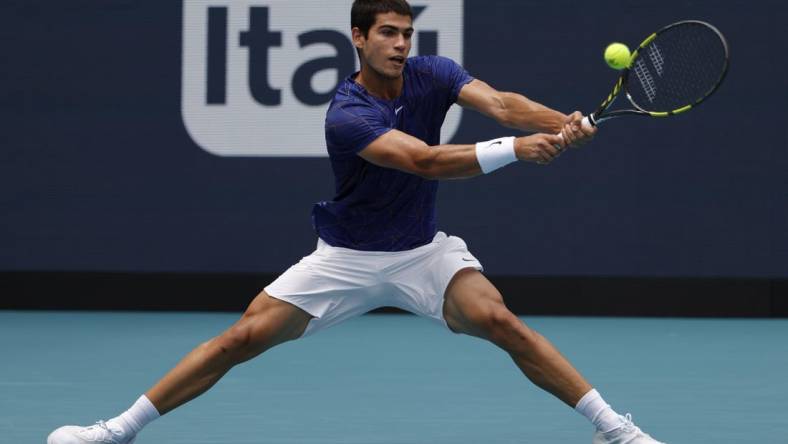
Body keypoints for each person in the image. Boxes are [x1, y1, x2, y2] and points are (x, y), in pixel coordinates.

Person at [48, 1, 664, 443]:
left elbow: (503, 104)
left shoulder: (435, 73)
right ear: (358, 38)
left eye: (407, 33)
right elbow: (422, 161)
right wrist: (515, 151)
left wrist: (559, 125)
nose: (400, 44)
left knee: (501, 320)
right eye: (388, 33)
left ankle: (615, 430)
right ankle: (115, 431)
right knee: (237, 341)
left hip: (423, 253)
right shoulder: (347, 113)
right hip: (344, 257)